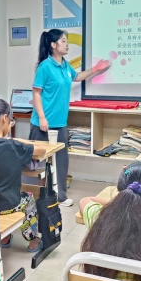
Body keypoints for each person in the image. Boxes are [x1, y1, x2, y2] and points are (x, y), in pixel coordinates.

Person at [30, 29, 111, 206]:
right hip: (42, 123)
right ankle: (35, 195)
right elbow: (36, 93)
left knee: (61, 161)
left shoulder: (65, 65)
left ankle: (61, 196)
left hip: (60, 123)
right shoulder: (45, 67)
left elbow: (77, 77)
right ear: (53, 45)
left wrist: (96, 69)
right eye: (63, 41)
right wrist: (42, 117)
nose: (67, 44)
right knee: (37, 161)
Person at [0, 99, 47, 252]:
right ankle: (33, 242)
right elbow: (42, 150)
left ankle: (5, 238)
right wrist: (17, 140)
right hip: (6, 206)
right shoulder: (12, 146)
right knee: (28, 198)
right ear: (5, 118)